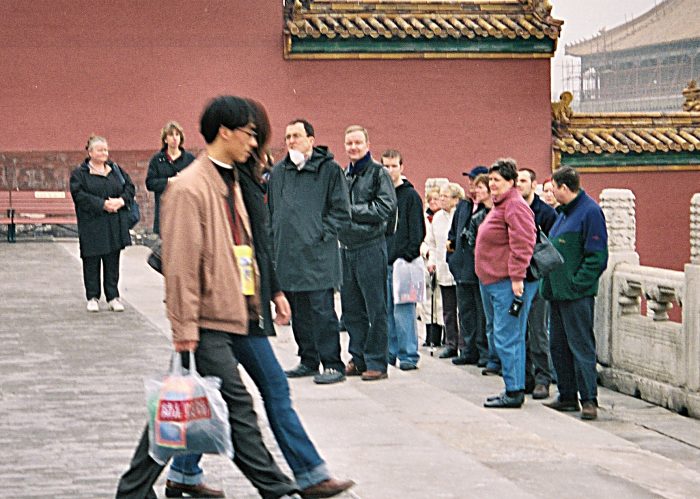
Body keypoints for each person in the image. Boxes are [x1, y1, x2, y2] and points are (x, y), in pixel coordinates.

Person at [115, 95, 299, 499]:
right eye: (249, 134)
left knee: (172, 412)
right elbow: (179, 267)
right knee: (238, 410)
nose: (254, 143)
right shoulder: (189, 188)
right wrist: (183, 329)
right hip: (205, 320)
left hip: (231, 314)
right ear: (225, 131)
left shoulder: (229, 181)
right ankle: (277, 488)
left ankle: (132, 491)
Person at [268, 118, 351, 384]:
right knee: (299, 312)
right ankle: (308, 359)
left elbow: (341, 212)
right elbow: (273, 213)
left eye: (296, 136)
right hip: (288, 256)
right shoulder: (279, 172)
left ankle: (332, 363)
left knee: (322, 311)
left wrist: (319, 234)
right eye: (288, 136)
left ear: (311, 140)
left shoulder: (329, 171)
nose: (291, 140)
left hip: (317, 256)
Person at [542, 166, 608, 421]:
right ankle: (567, 395)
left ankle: (588, 399)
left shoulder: (590, 212)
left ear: (564, 188)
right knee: (558, 346)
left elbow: (597, 256)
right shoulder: (562, 215)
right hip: (556, 293)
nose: (551, 193)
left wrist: (577, 284)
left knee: (581, 346)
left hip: (576, 295)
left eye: (554, 188)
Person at [475, 158, 537, 409]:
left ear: (510, 182)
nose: (491, 185)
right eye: (490, 180)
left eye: (497, 180)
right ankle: (515, 386)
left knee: (507, 336)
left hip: (508, 284)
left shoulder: (514, 206)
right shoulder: (501, 205)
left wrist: (517, 277)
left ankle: (513, 390)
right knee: (509, 335)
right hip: (496, 282)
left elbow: (523, 242)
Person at [340, 125, 397, 381]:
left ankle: (377, 361)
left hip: (371, 247)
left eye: (357, 143)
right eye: (349, 143)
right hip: (347, 249)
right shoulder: (344, 174)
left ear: (367, 144)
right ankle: (358, 357)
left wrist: (351, 212)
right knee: (351, 309)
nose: (353, 147)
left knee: (376, 308)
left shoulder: (378, 173)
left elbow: (384, 207)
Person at [69, 135, 134, 313]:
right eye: (100, 150)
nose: (104, 153)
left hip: (114, 223)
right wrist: (102, 204)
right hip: (92, 225)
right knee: (91, 260)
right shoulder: (80, 174)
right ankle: (93, 297)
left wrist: (121, 201)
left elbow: (130, 188)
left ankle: (113, 296)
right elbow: (79, 196)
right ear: (90, 152)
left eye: (106, 149)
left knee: (113, 260)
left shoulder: (115, 170)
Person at [381, 149, 425, 371]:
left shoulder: (410, 196)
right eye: (385, 166)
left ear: (401, 167)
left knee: (404, 311)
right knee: (386, 311)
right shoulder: (381, 194)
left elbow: (418, 231)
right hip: (384, 261)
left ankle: (408, 355)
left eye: (393, 166)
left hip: (404, 263)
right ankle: (390, 352)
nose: (389, 171)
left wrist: (405, 254)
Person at [516, 168, 557, 400]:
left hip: (537, 278)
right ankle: (525, 377)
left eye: (524, 181)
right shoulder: (511, 210)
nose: (519, 185)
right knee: (519, 332)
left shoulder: (545, 213)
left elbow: (551, 250)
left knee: (538, 330)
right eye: (517, 181)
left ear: (533, 185)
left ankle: (543, 378)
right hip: (515, 279)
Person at [448, 166, 488, 366]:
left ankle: (483, 351)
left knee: (481, 313)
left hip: (479, 269)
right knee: (465, 312)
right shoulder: (464, 206)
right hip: (461, 267)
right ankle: (468, 349)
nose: (471, 184)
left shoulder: (488, 209)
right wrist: (452, 258)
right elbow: (453, 234)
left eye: (475, 181)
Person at [426, 183, 463, 359]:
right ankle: (451, 342)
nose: (441, 199)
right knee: (447, 309)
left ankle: (465, 344)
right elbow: (431, 243)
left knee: (462, 309)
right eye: (440, 195)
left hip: (459, 268)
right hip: (442, 267)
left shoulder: (459, 215)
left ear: (456, 199)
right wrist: (431, 261)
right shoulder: (437, 218)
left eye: (445, 196)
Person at [145, 121, 196, 234]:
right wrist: (169, 181)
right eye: (171, 135)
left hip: (186, 209)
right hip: (165, 210)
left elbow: (198, 182)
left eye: (177, 135)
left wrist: (183, 181)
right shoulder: (157, 160)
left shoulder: (189, 159)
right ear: (165, 139)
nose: (174, 138)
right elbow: (150, 183)